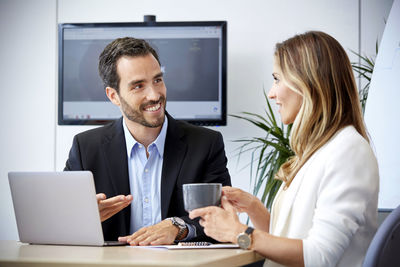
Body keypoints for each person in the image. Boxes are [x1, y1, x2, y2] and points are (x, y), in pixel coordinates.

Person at [190, 31, 379, 267]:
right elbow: (291, 241)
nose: (272, 93)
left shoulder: (349, 152)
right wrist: (255, 208)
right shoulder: (318, 151)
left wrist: (237, 232)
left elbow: (319, 256)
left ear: (308, 83)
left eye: (277, 79)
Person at [64, 37, 231, 245]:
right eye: (138, 86)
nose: (154, 95)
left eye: (157, 80)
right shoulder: (86, 148)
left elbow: (221, 220)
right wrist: (83, 219)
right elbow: (61, 225)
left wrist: (179, 227)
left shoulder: (206, 144)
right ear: (113, 96)